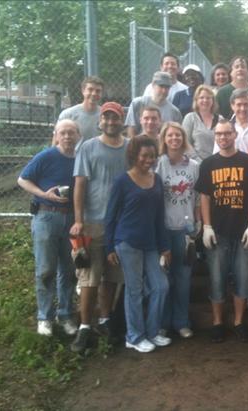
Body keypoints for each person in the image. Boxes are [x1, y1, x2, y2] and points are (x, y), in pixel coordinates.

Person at [194, 119, 248, 343]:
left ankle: (239, 322)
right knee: (217, 278)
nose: (223, 138)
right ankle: (217, 323)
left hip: (243, 231)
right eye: (219, 134)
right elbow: (204, 196)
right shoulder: (208, 164)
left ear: (235, 135)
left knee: (244, 279)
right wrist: (206, 226)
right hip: (218, 232)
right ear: (215, 137)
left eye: (227, 133)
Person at [69, 102, 128, 353]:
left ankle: (105, 319)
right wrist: (79, 220)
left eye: (115, 118)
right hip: (93, 222)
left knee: (112, 276)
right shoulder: (89, 147)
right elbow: (80, 185)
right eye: (107, 118)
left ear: (122, 121)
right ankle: (84, 327)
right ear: (100, 121)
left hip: (120, 224)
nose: (111, 122)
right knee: (90, 277)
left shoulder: (129, 148)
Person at [105, 136, 171, 353]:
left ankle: (152, 332)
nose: (149, 160)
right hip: (127, 242)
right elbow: (111, 216)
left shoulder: (157, 180)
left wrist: (164, 246)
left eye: (152, 156)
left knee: (160, 286)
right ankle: (134, 336)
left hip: (151, 243)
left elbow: (159, 216)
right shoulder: (122, 181)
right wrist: (110, 246)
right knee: (134, 290)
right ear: (134, 155)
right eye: (144, 155)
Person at [18, 119, 80, 337]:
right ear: (56, 135)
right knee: (45, 268)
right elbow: (22, 179)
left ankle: (65, 314)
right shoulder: (46, 156)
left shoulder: (80, 159)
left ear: (78, 135)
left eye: (71, 132)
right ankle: (44, 316)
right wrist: (43, 194)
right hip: (46, 216)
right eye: (63, 132)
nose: (67, 137)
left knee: (69, 269)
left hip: (71, 219)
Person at [156, 122, 200, 339]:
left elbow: (198, 197)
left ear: (184, 139)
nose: (174, 139)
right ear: (164, 139)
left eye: (178, 135)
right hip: (165, 228)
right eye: (170, 135)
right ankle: (163, 323)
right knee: (165, 279)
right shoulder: (159, 164)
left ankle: (181, 322)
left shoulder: (193, 166)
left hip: (186, 229)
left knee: (183, 278)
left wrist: (199, 223)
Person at [126, 71, 183, 138]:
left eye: (167, 87)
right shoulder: (138, 103)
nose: (164, 90)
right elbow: (131, 129)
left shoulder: (174, 112)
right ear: (153, 85)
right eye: (161, 86)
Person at [58, 76, 104, 147]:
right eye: (90, 89)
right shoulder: (68, 115)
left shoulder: (105, 115)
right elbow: (56, 140)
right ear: (83, 91)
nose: (94, 93)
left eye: (98, 91)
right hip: (74, 156)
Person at [182, 84, 221, 162]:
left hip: (217, 162)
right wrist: (198, 160)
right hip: (195, 163)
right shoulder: (190, 118)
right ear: (196, 100)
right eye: (201, 98)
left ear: (213, 100)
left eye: (208, 98)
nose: (205, 100)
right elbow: (185, 142)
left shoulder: (220, 119)